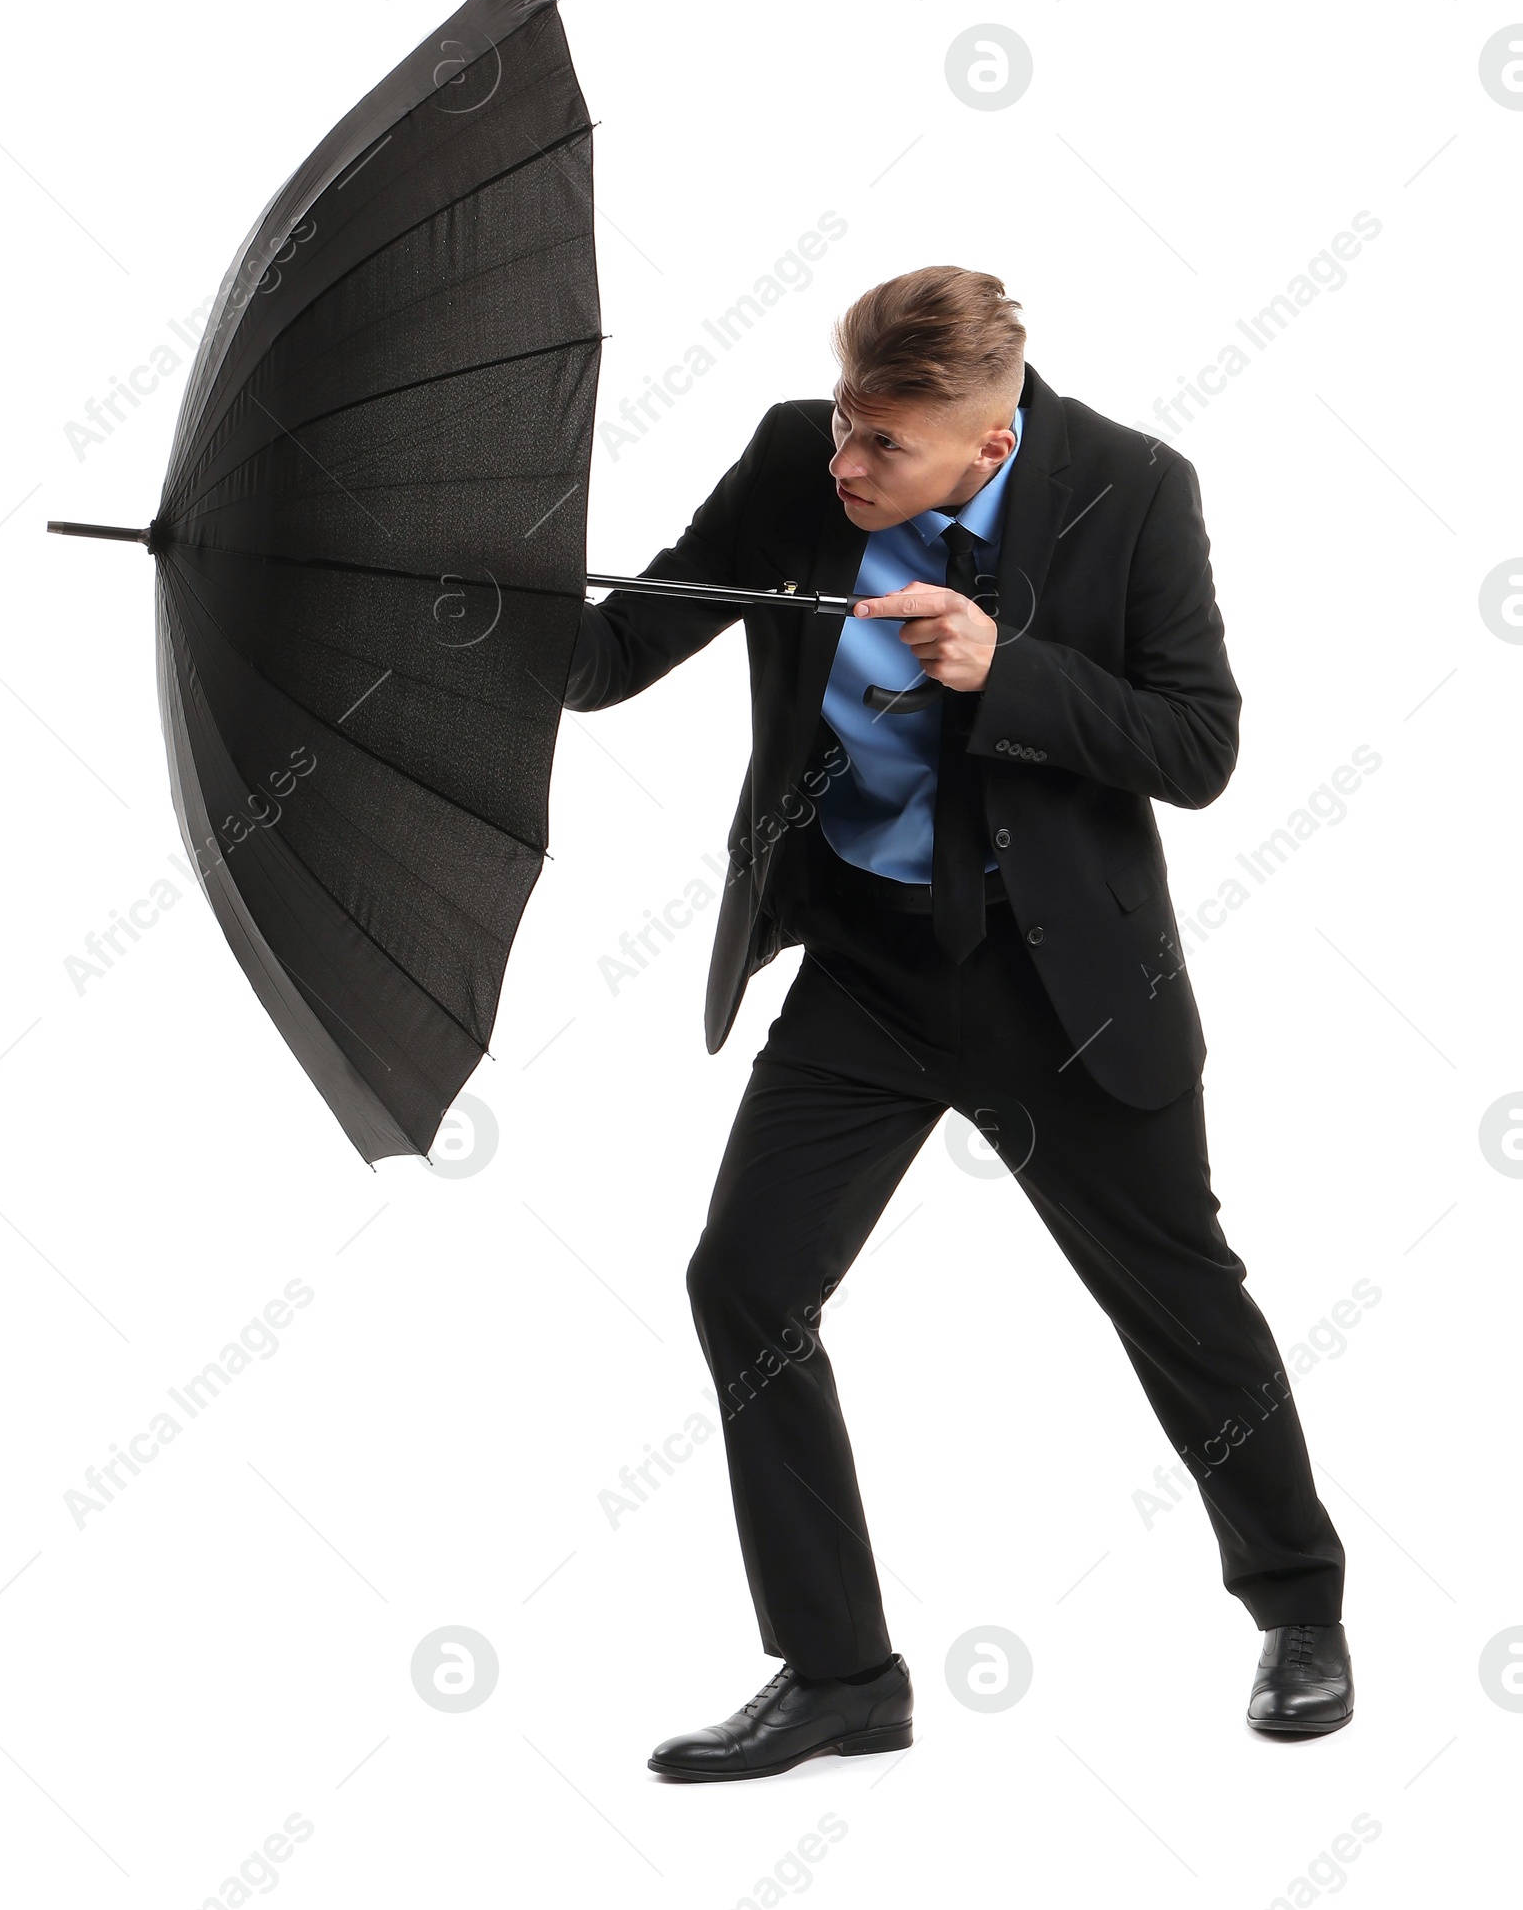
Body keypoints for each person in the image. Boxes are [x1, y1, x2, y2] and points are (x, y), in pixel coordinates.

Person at [564, 266, 1352, 1780]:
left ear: (987, 447)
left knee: (1179, 1298)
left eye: (886, 450)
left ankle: (1301, 1606)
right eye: (848, 429)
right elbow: (613, 656)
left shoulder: (1131, 490)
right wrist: (455, 588)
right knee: (745, 1284)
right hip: (865, 966)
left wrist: (1014, 675)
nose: (846, 467)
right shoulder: (803, 459)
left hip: (1059, 985)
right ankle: (842, 1674)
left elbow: (1201, 746)